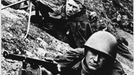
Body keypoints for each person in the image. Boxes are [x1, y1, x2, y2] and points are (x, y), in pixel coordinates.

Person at [54, 31, 126, 75]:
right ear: (86, 51)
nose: (95, 59)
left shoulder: (114, 72)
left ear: (108, 60)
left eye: (102, 56)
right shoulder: (73, 58)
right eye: (94, 53)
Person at [31, 0, 96, 48]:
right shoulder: (60, 10)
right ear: (66, 3)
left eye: (74, 7)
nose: (70, 9)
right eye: (69, 5)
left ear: (80, 8)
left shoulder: (84, 22)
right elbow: (51, 14)